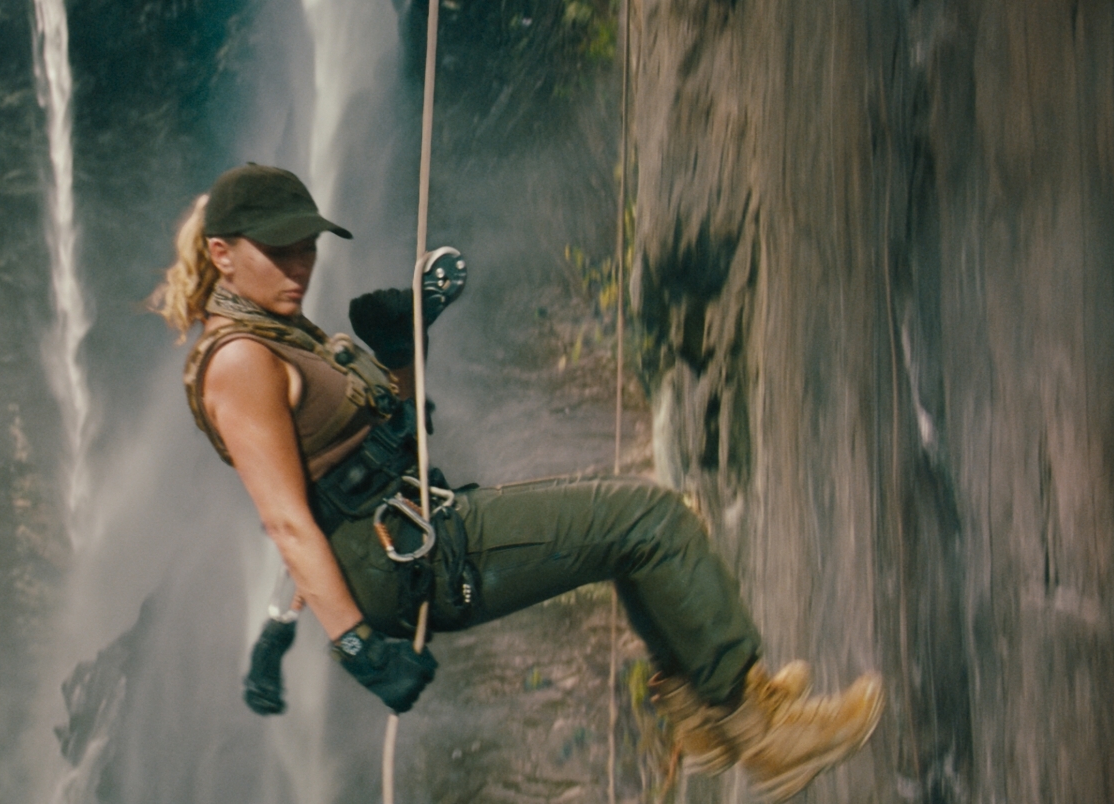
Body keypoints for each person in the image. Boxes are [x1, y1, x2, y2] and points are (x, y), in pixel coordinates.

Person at [150, 163, 883, 801]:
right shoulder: (238, 361)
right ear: (222, 254)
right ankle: (758, 730)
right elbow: (286, 518)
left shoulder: (279, 333)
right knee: (650, 522)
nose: (298, 266)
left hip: (413, 531)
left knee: (633, 533)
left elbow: (380, 444)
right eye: (277, 249)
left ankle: (702, 710)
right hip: (402, 561)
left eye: (306, 246)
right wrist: (357, 648)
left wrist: (403, 349)